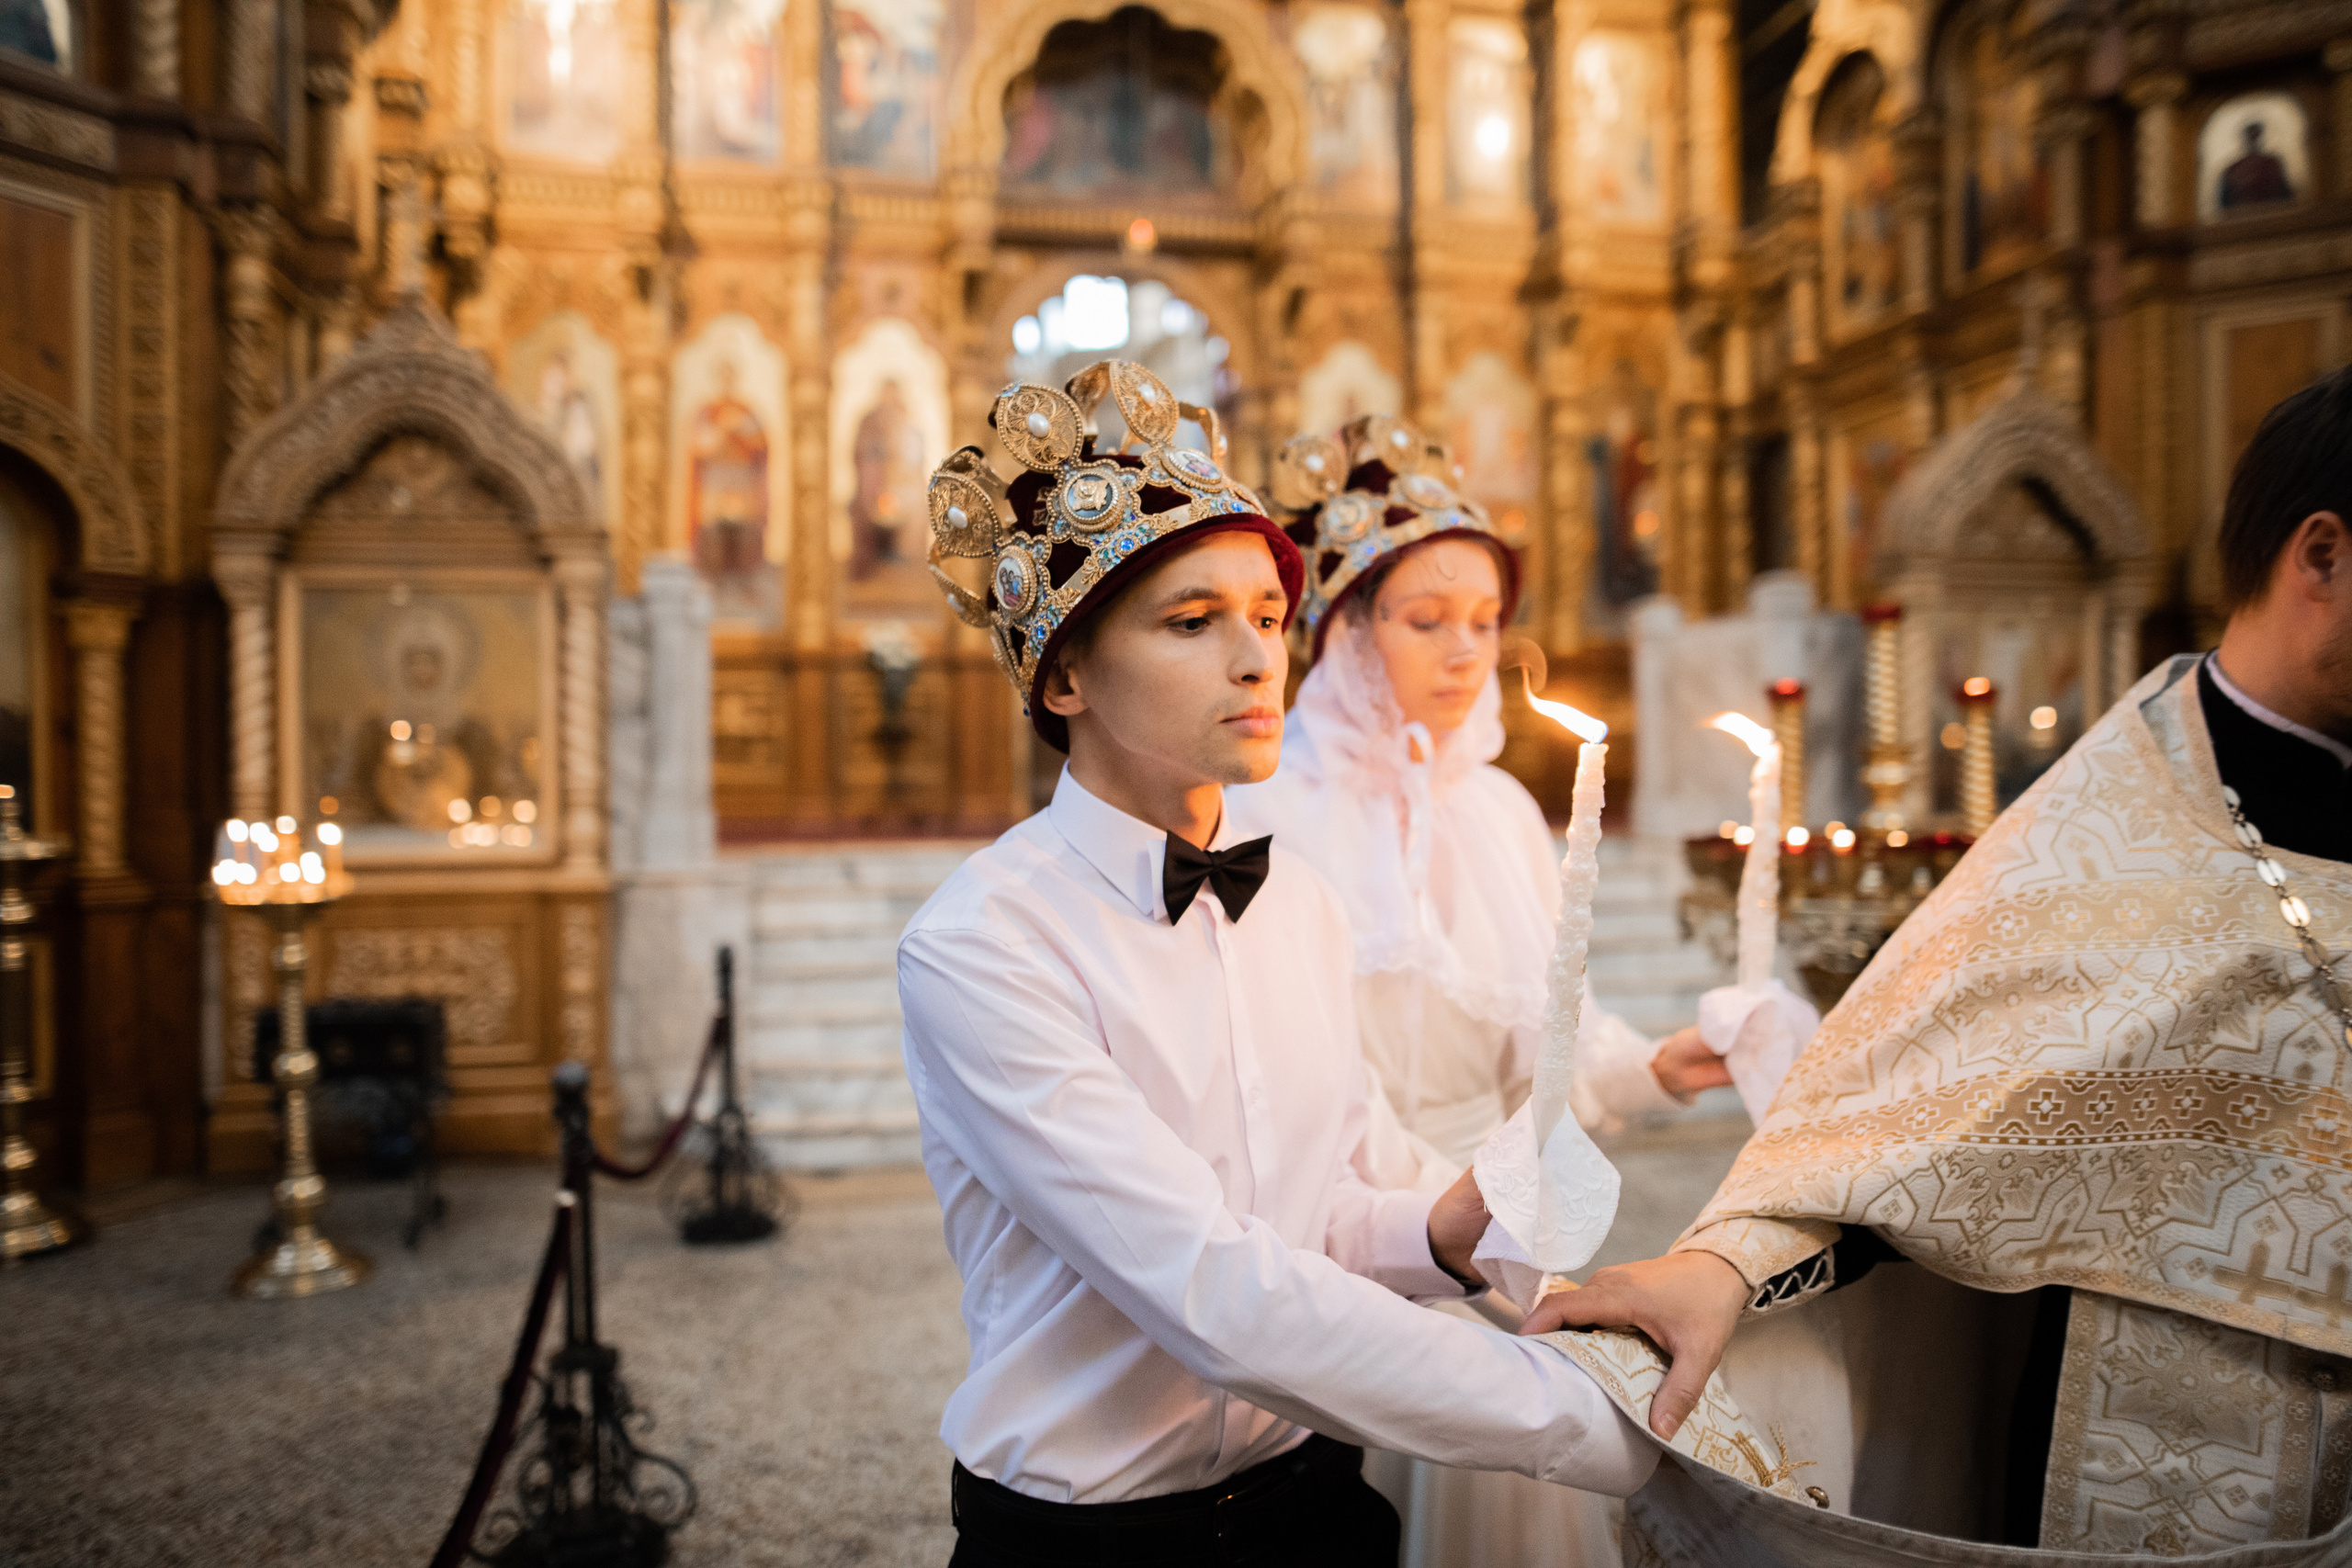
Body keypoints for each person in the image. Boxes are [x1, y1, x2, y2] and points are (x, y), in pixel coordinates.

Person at [1529, 365, 2352, 1562]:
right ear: (2320, 555)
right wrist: (1724, 1262)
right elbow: (1917, 1106)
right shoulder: (2098, 833)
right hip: (2156, 1433)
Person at [899, 361, 1656, 1566]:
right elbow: (1213, 1286)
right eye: (1191, 621)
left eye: (1265, 615)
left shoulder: (1295, 894)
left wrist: (1448, 1227)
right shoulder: (985, 945)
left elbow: (1320, 1205)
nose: (1259, 659)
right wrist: (1588, 1413)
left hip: (1316, 1501)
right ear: (1065, 674)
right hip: (1100, 1540)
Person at [1224, 417, 1728, 1568]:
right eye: (1427, 620)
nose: (1465, 651)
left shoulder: (1498, 810)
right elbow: (1272, 1066)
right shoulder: (1261, 813)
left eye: (1487, 622)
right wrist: (1430, 1218)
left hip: (1501, 1222)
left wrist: (1651, 1068)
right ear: (1348, 632)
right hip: (1343, 1230)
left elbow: (1548, 1041)